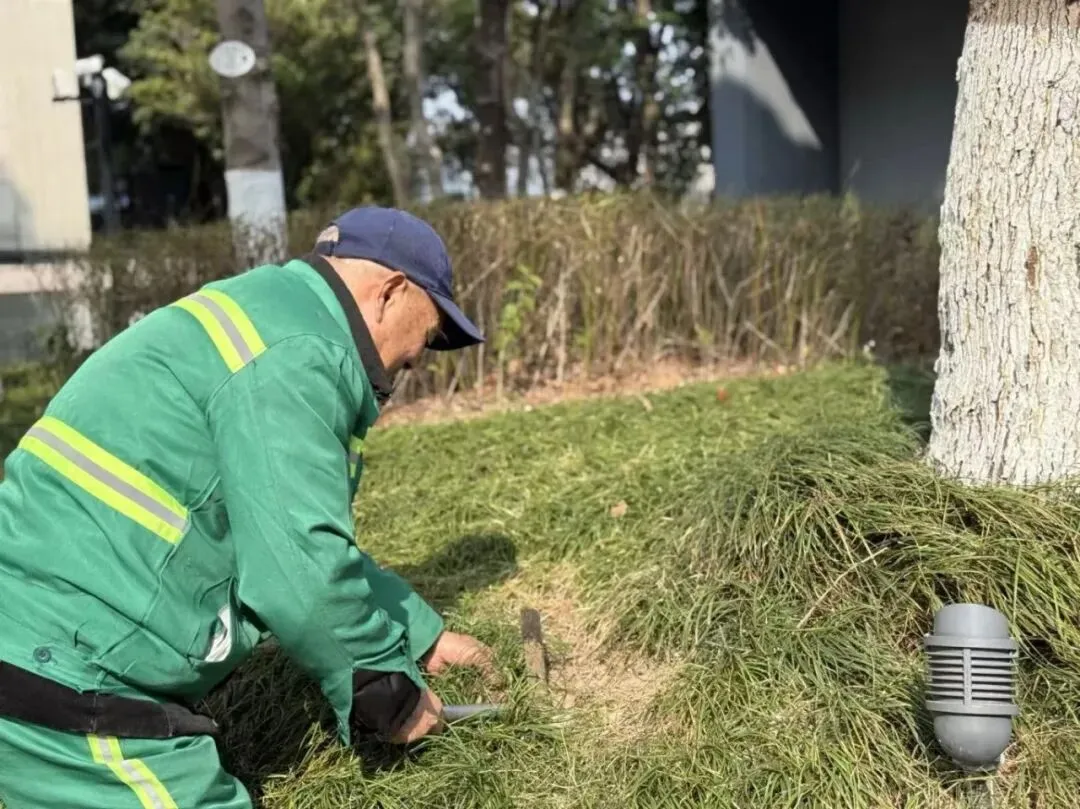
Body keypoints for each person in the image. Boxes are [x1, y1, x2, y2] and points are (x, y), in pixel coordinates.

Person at [0, 206, 495, 808]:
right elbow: (300, 571)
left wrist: (419, 633)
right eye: (426, 334)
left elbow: (278, 531)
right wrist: (387, 689)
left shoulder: (269, 317)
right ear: (390, 292)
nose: (415, 360)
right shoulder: (299, 355)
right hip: (69, 682)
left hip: (38, 643)